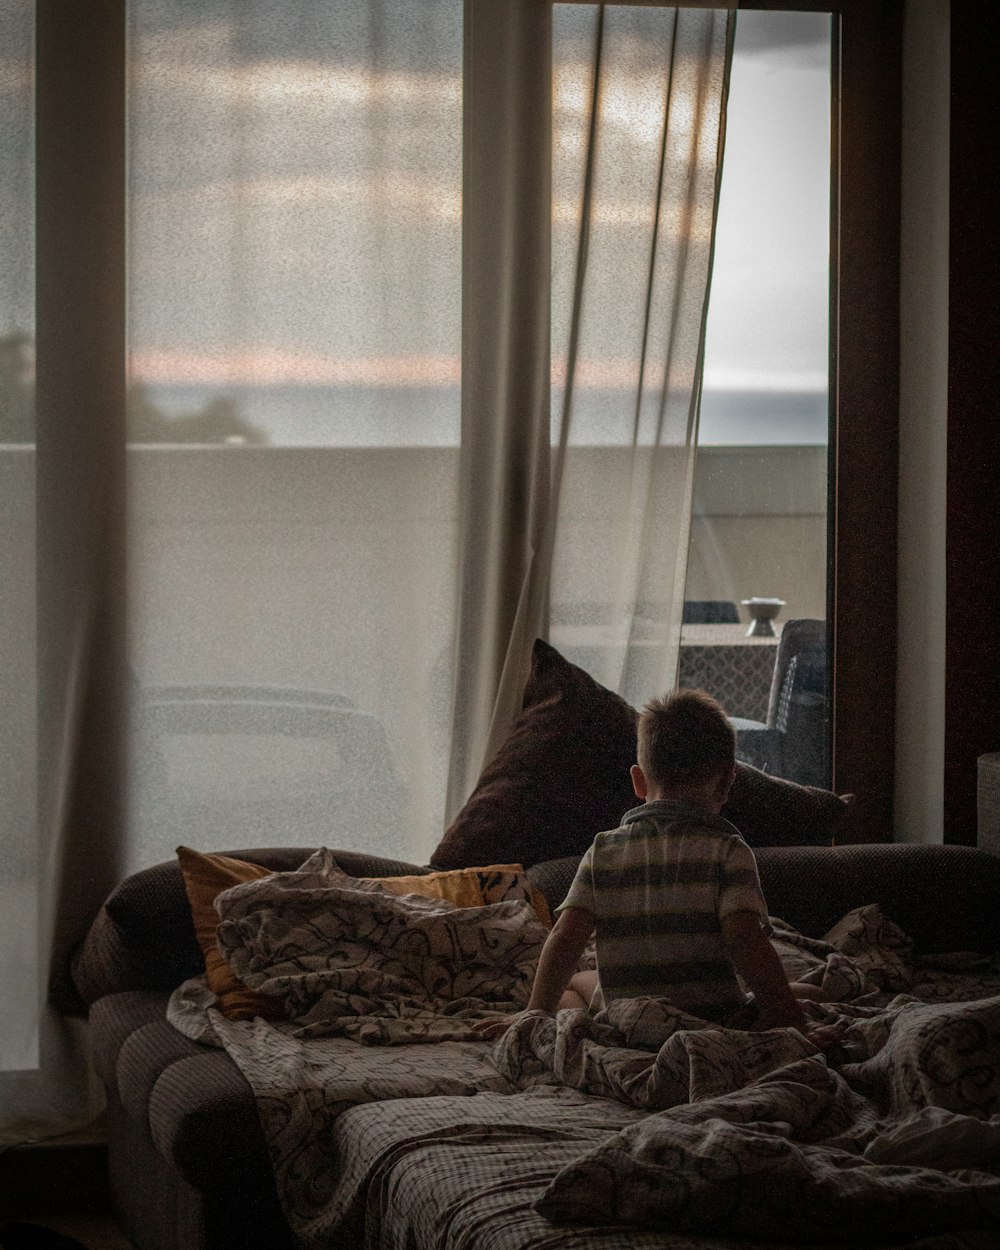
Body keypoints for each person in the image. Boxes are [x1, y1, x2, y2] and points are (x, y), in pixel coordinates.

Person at [478, 688, 839, 1044]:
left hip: (628, 1023)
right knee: (812, 994)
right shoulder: (728, 851)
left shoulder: (603, 850)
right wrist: (785, 1014)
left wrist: (535, 1011)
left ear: (638, 781)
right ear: (729, 781)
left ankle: (549, 1013)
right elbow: (745, 937)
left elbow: (565, 937)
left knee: (573, 987)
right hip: (713, 1019)